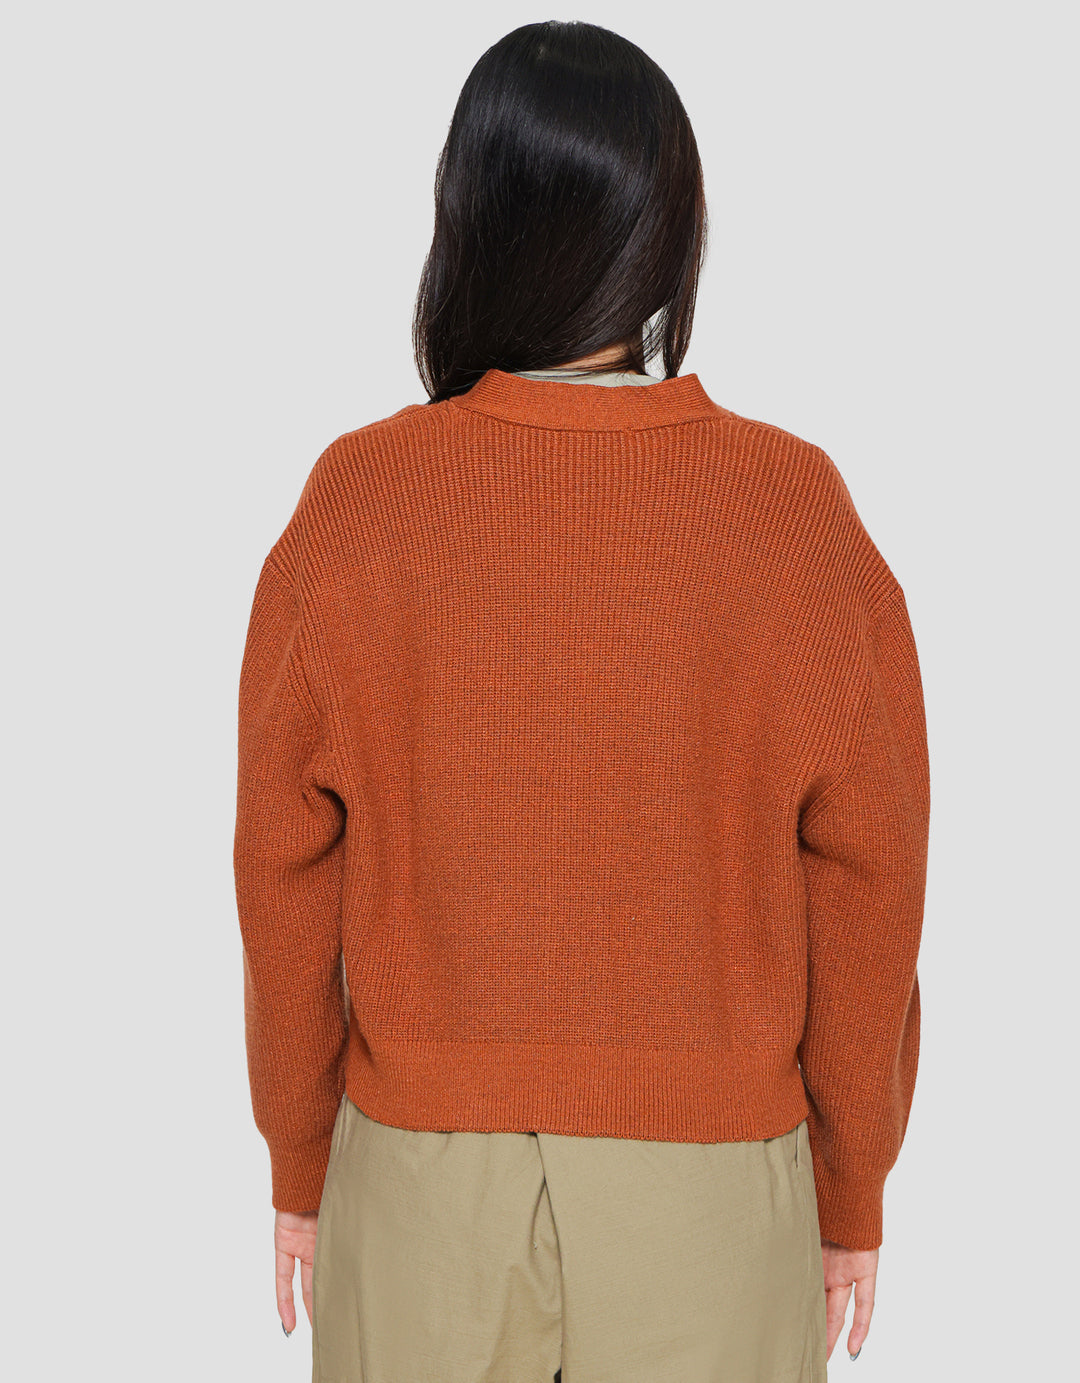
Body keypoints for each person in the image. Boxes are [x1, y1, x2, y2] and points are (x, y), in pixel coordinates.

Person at [233, 19, 930, 1383]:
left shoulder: (359, 503)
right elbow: (871, 878)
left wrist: (301, 1157)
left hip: (423, 1188)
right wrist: (853, 1184)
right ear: (670, 235)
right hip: (715, 1194)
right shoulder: (793, 512)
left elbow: (281, 863)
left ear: (466, 222)